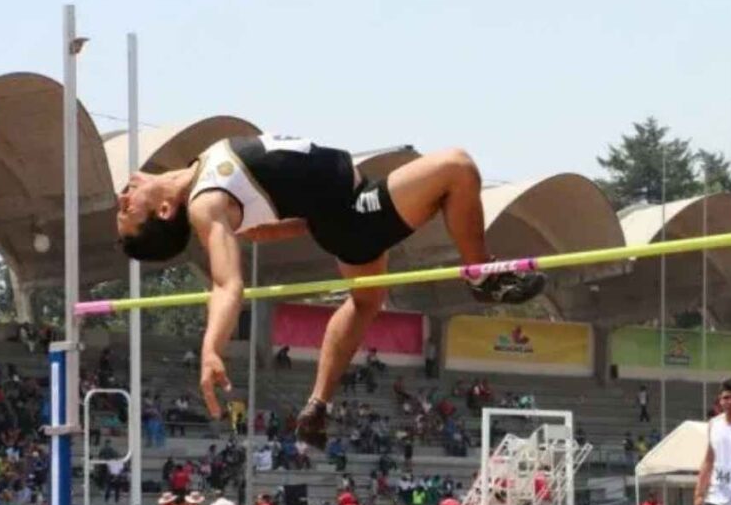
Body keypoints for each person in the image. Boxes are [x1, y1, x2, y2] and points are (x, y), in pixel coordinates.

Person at [115, 137, 547, 451]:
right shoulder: (204, 205)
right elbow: (228, 284)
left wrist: (312, 223)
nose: (123, 195)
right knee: (457, 167)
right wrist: (212, 349)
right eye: (126, 209)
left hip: (338, 213)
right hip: (352, 210)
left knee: (366, 302)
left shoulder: (200, 175)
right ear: (164, 211)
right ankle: (482, 275)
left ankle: (317, 403)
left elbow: (261, 226)